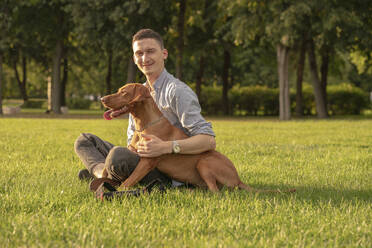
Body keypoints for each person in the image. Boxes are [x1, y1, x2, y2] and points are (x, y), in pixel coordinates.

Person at [74, 28, 216, 187]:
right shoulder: (135, 91)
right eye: (139, 53)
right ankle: (103, 173)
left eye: (150, 51)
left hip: (167, 168)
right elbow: (132, 141)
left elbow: (208, 141)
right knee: (85, 141)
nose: (144, 58)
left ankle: (107, 174)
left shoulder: (177, 91)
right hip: (140, 158)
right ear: (134, 58)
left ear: (164, 54)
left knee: (118, 156)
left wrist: (166, 147)